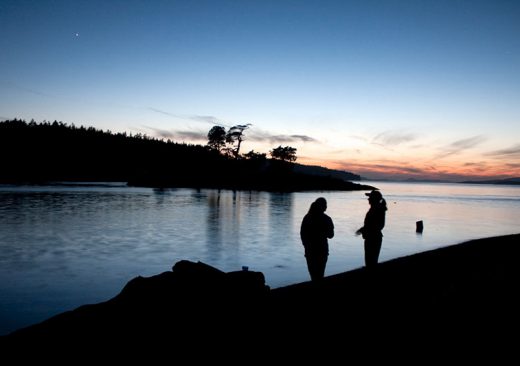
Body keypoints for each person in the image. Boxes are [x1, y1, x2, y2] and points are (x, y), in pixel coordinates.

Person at [300, 197, 334, 281]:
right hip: (322, 251)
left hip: (310, 251)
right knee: (320, 274)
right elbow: (331, 235)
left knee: (313, 275)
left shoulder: (307, 217)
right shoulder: (327, 219)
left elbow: (302, 234)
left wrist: (306, 246)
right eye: (325, 205)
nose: (326, 207)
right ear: (323, 207)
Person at [356, 190, 387, 268]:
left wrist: (364, 230)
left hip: (373, 238)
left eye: (370, 197)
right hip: (373, 238)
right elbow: (373, 225)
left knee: (370, 262)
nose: (368, 199)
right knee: (371, 261)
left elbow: (378, 225)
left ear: (374, 198)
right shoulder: (376, 209)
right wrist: (363, 229)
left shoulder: (377, 209)